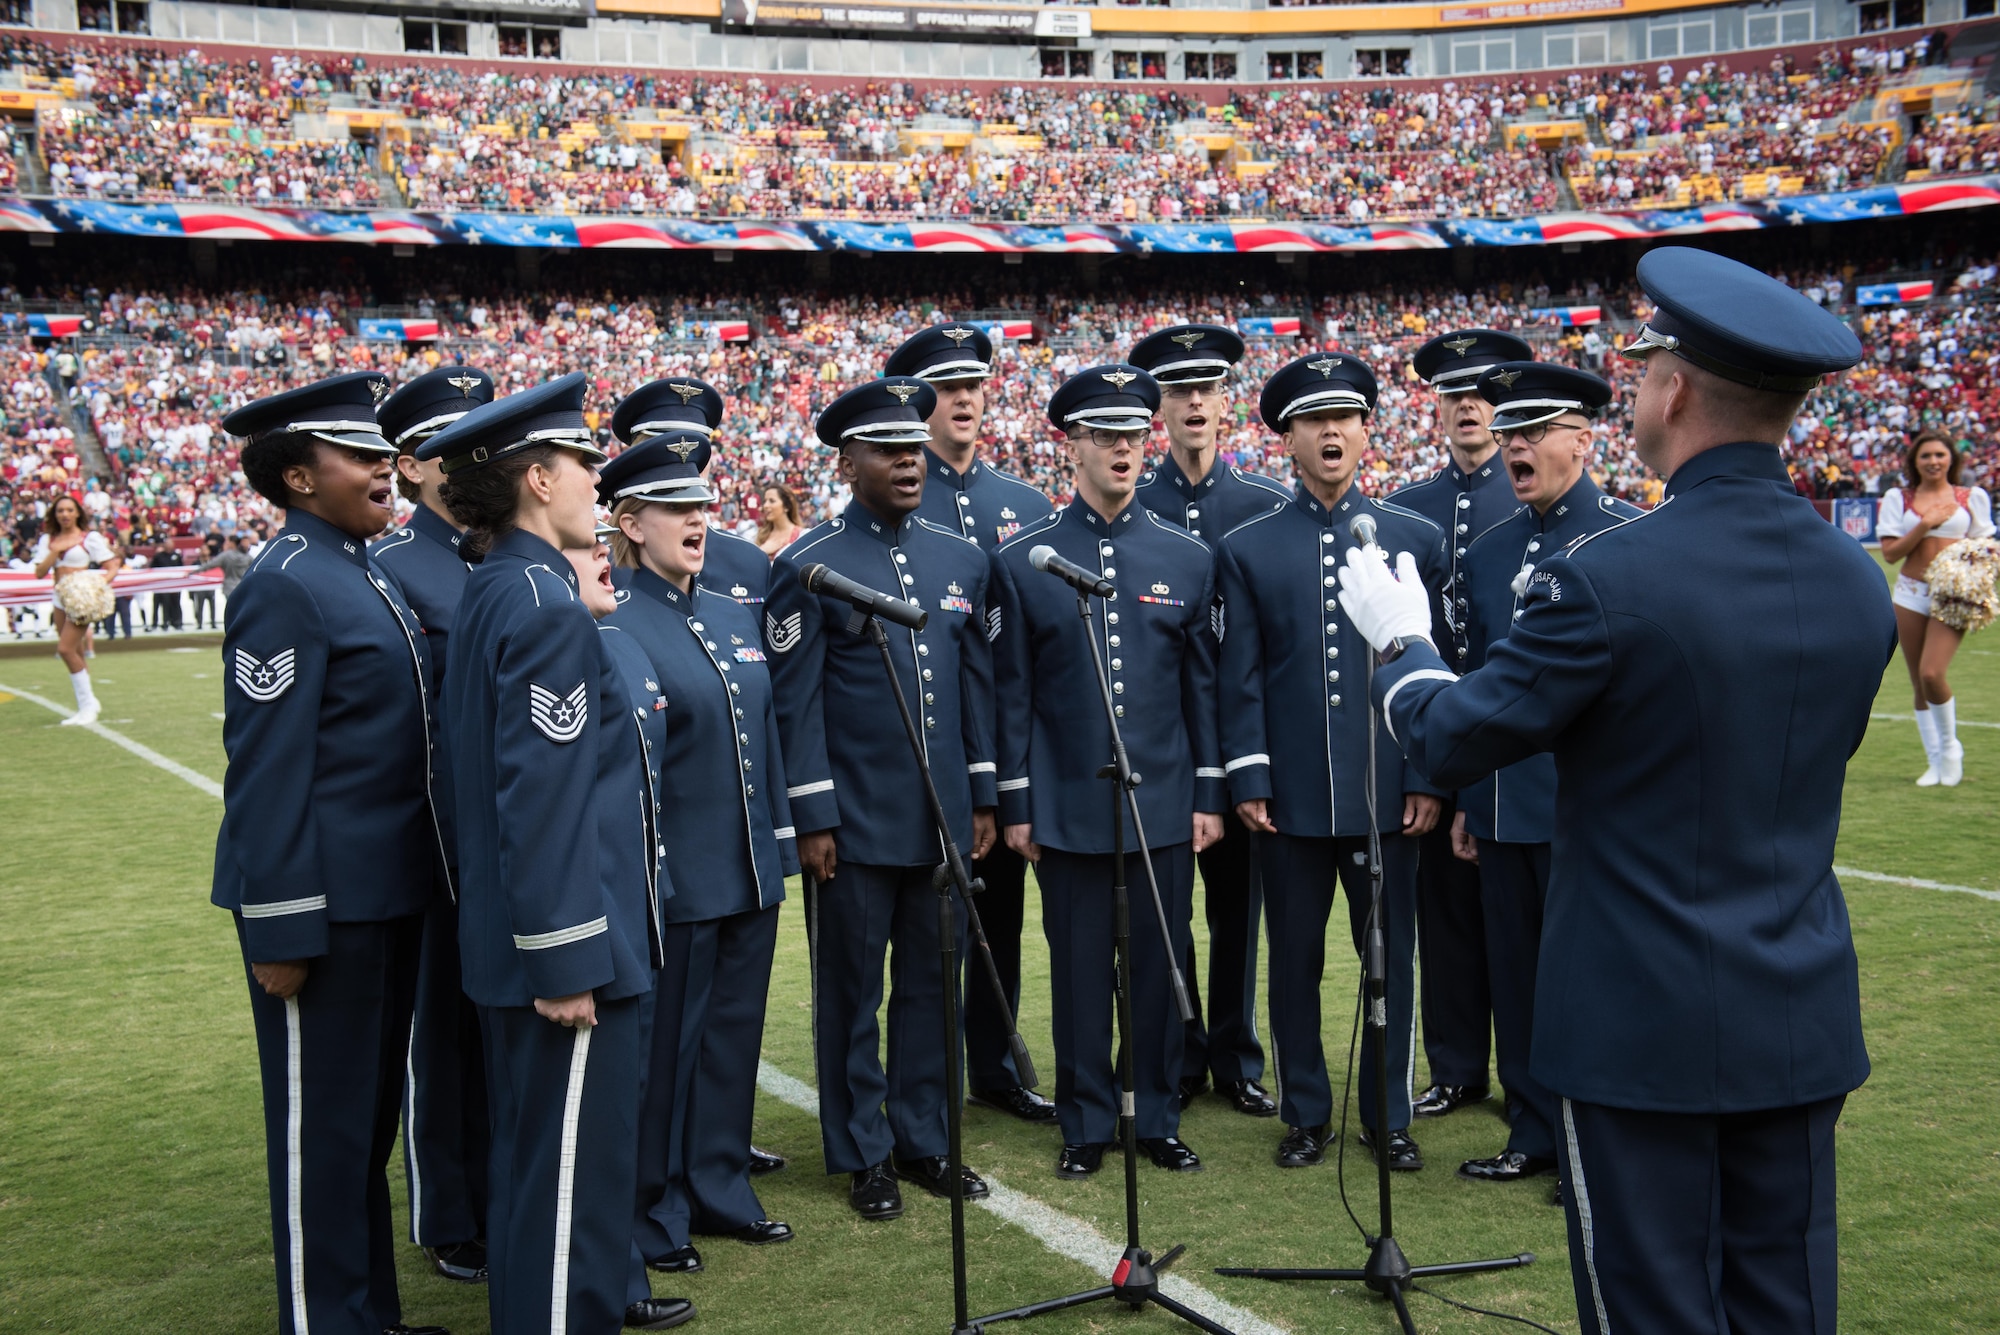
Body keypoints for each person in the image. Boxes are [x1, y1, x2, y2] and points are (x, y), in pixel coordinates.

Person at [1341, 247, 1890, 1333]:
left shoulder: (1609, 577)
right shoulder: (1849, 575)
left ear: (1672, 389)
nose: (1634, 386)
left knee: (1648, 1306)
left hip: (1641, 1021)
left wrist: (1398, 641)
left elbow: (1451, 737)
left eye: (1640, 369)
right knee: (1785, 1304)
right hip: (1794, 1007)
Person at [416, 373, 694, 1334]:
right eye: (582, 462)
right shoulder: (541, 604)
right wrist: (570, 953)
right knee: (570, 1192)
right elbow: (542, 798)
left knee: (544, 1180)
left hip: (529, 943)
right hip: (572, 953)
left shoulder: (500, 586)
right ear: (538, 478)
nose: (594, 480)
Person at [209, 371, 453, 1335]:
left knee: (365, 1127)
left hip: (387, 894)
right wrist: (278, 923)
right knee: (324, 1131)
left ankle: (367, 1315)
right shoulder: (284, 584)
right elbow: (266, 772)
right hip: (323, 910)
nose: (383, 469)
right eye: (356, 456)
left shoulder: (362, 566)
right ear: (298, 478)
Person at [766, 376, 999, 1220]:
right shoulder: (807, 564)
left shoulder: (961, 559)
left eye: (914, 446)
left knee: (936, 986)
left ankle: (925, 1137)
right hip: (854, 822)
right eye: (887, 449)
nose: (909, 460)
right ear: (846, 460)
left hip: (940, 817)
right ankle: (864, 1151)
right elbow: (795, 703)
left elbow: (971, 691)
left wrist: (980, 793)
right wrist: (815, 816)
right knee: (853, 992)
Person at [1214, 351, 1448, 1173]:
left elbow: (1437, 667)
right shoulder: (1248, 548)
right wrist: (1249, 777)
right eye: (1314, 421)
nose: (1332, 432)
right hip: (1293, 799)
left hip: (1390, 793)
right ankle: (1306, 1110)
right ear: (1288, 438)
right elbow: (1238, 677)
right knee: (1295, 964)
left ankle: (1388, 1114)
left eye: (1345, 417)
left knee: (1393, 962)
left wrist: (1426, 773)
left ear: (1365, 429)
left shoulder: (1414, 540)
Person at [990, 364, 1222, 1178]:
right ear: (1073, 446)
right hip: (1064, 803)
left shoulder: (1186, 557)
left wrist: (1209, 795)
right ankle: (1085, 1120)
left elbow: (1203, 692)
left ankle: (1154, 1113)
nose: (1123, 449)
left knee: (1159, 970)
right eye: (1104, 436)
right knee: (1081, 972)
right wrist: (1015, 801)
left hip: (1162, 802)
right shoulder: (1024, 560)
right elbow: (1011, 692)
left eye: (1133, 434)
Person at [601, 430, 797, 1274]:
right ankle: (654, 1208)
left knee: (731, 1042)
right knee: (665, 1055)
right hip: (677, 879)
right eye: (677, 509)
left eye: (703, 508)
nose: (698, 521)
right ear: (629, 523)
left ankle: (720, 1185)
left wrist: (781, 843)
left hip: (749, 869)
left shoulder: (731, 609)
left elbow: (768, 735)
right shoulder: (619, 620)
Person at [1448, 362, 1641, 1197]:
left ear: (1583, 441)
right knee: (1518, 979)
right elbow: (1470, 681)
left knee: (1595, 987)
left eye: (1533, 432)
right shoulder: (1489, 553)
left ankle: (1594, 1142)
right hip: (1500, 803)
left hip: (1591, 808)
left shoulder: (1632, 540)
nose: (1514, 446)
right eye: (1508, 433)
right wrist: (1466, 797)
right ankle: (1531, 1130)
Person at [888, 321, 1058, 1126]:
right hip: (913, 753)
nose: (961, 399)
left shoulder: (1025, 507)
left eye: (972, 384)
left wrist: (1009, 777)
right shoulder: (890, 499)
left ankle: (995, 1065)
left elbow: (1024, 661)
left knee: (999, 916)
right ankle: (926, 1079)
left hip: (1003, 752)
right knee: (919, 934)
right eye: (943, 388)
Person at [1128, 321, 1288, 1119]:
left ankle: (1236, 1053)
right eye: (1179, 389)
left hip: (1244, 744)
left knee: (1238, 912)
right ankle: (1178, 1053)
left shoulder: (1265, 505)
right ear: (1158, 404)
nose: (1194, 401)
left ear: (1227, 401)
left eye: (1208, 387)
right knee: (1166, 916)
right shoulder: (1134, 502)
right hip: (1162, 751)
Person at [372, 365, 496, 1286]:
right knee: (439, 1034)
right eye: (447, 445)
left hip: (500, 836)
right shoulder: (393, 568)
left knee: (496, 1028)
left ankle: (497, 1190)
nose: (468, 458)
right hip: (430, 842)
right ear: (411, 465)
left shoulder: (501, 557)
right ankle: (449, 1213)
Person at [1390, 327, 1532, 1122]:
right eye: (1454, 391)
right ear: (1437, 406)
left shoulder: (1533, 490)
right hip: (1440, 739)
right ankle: (1452, 1066)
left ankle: (1528, 1076)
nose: (1469, 402)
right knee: (1443, 916)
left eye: (1484, 389)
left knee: (1522, 923)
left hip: (1522, 743)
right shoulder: (1410, 508)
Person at [1876, 428, 1994, 786]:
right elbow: (1892, 554)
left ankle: (1951, 748)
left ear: (1951, 460)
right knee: (1917, 682)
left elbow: (1986, 544)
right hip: (1911, 592)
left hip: (1953, 594)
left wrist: (1979, 563)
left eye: (1939, 455)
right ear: (1915, 461)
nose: (1933, 461)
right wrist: (1926, 524)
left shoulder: (1971, 496)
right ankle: (1935, 762)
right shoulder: (1900, 497)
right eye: (1925, 456)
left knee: (1932, 674)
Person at [611, 380, 771, 614]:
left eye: (697, 450)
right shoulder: (600, 568)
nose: (684, 461)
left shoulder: (750, 561)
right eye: (668, 448)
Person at [30, 492, 120, 725]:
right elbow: (40, 572)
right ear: (54, 515)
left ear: (77, 513)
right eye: (60, 511)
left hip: (82, 598)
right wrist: (55, 549)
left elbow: (112, 565)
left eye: (69, 510)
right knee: (76, 651)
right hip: (60, 597)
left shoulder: (89, 538)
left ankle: (87, 706)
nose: (65, 514)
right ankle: (89, 704)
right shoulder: (47, 540)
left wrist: (96, 586)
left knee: (65, 649)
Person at [755, 484, 803, 557]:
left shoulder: (801, 535)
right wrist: (762, 551)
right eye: (765, 501)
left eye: (772, 501)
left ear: (786, 506)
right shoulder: (761, 535)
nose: (765, 505)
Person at [191, 534, 222, 627]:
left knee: (212, 605)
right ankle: (199, 623)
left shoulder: (213, 562)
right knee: (199, 605)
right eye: (202, 549)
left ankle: (213, 622)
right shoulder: (195, 563)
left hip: (210, 586)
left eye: (206, 549)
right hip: (199, 587)